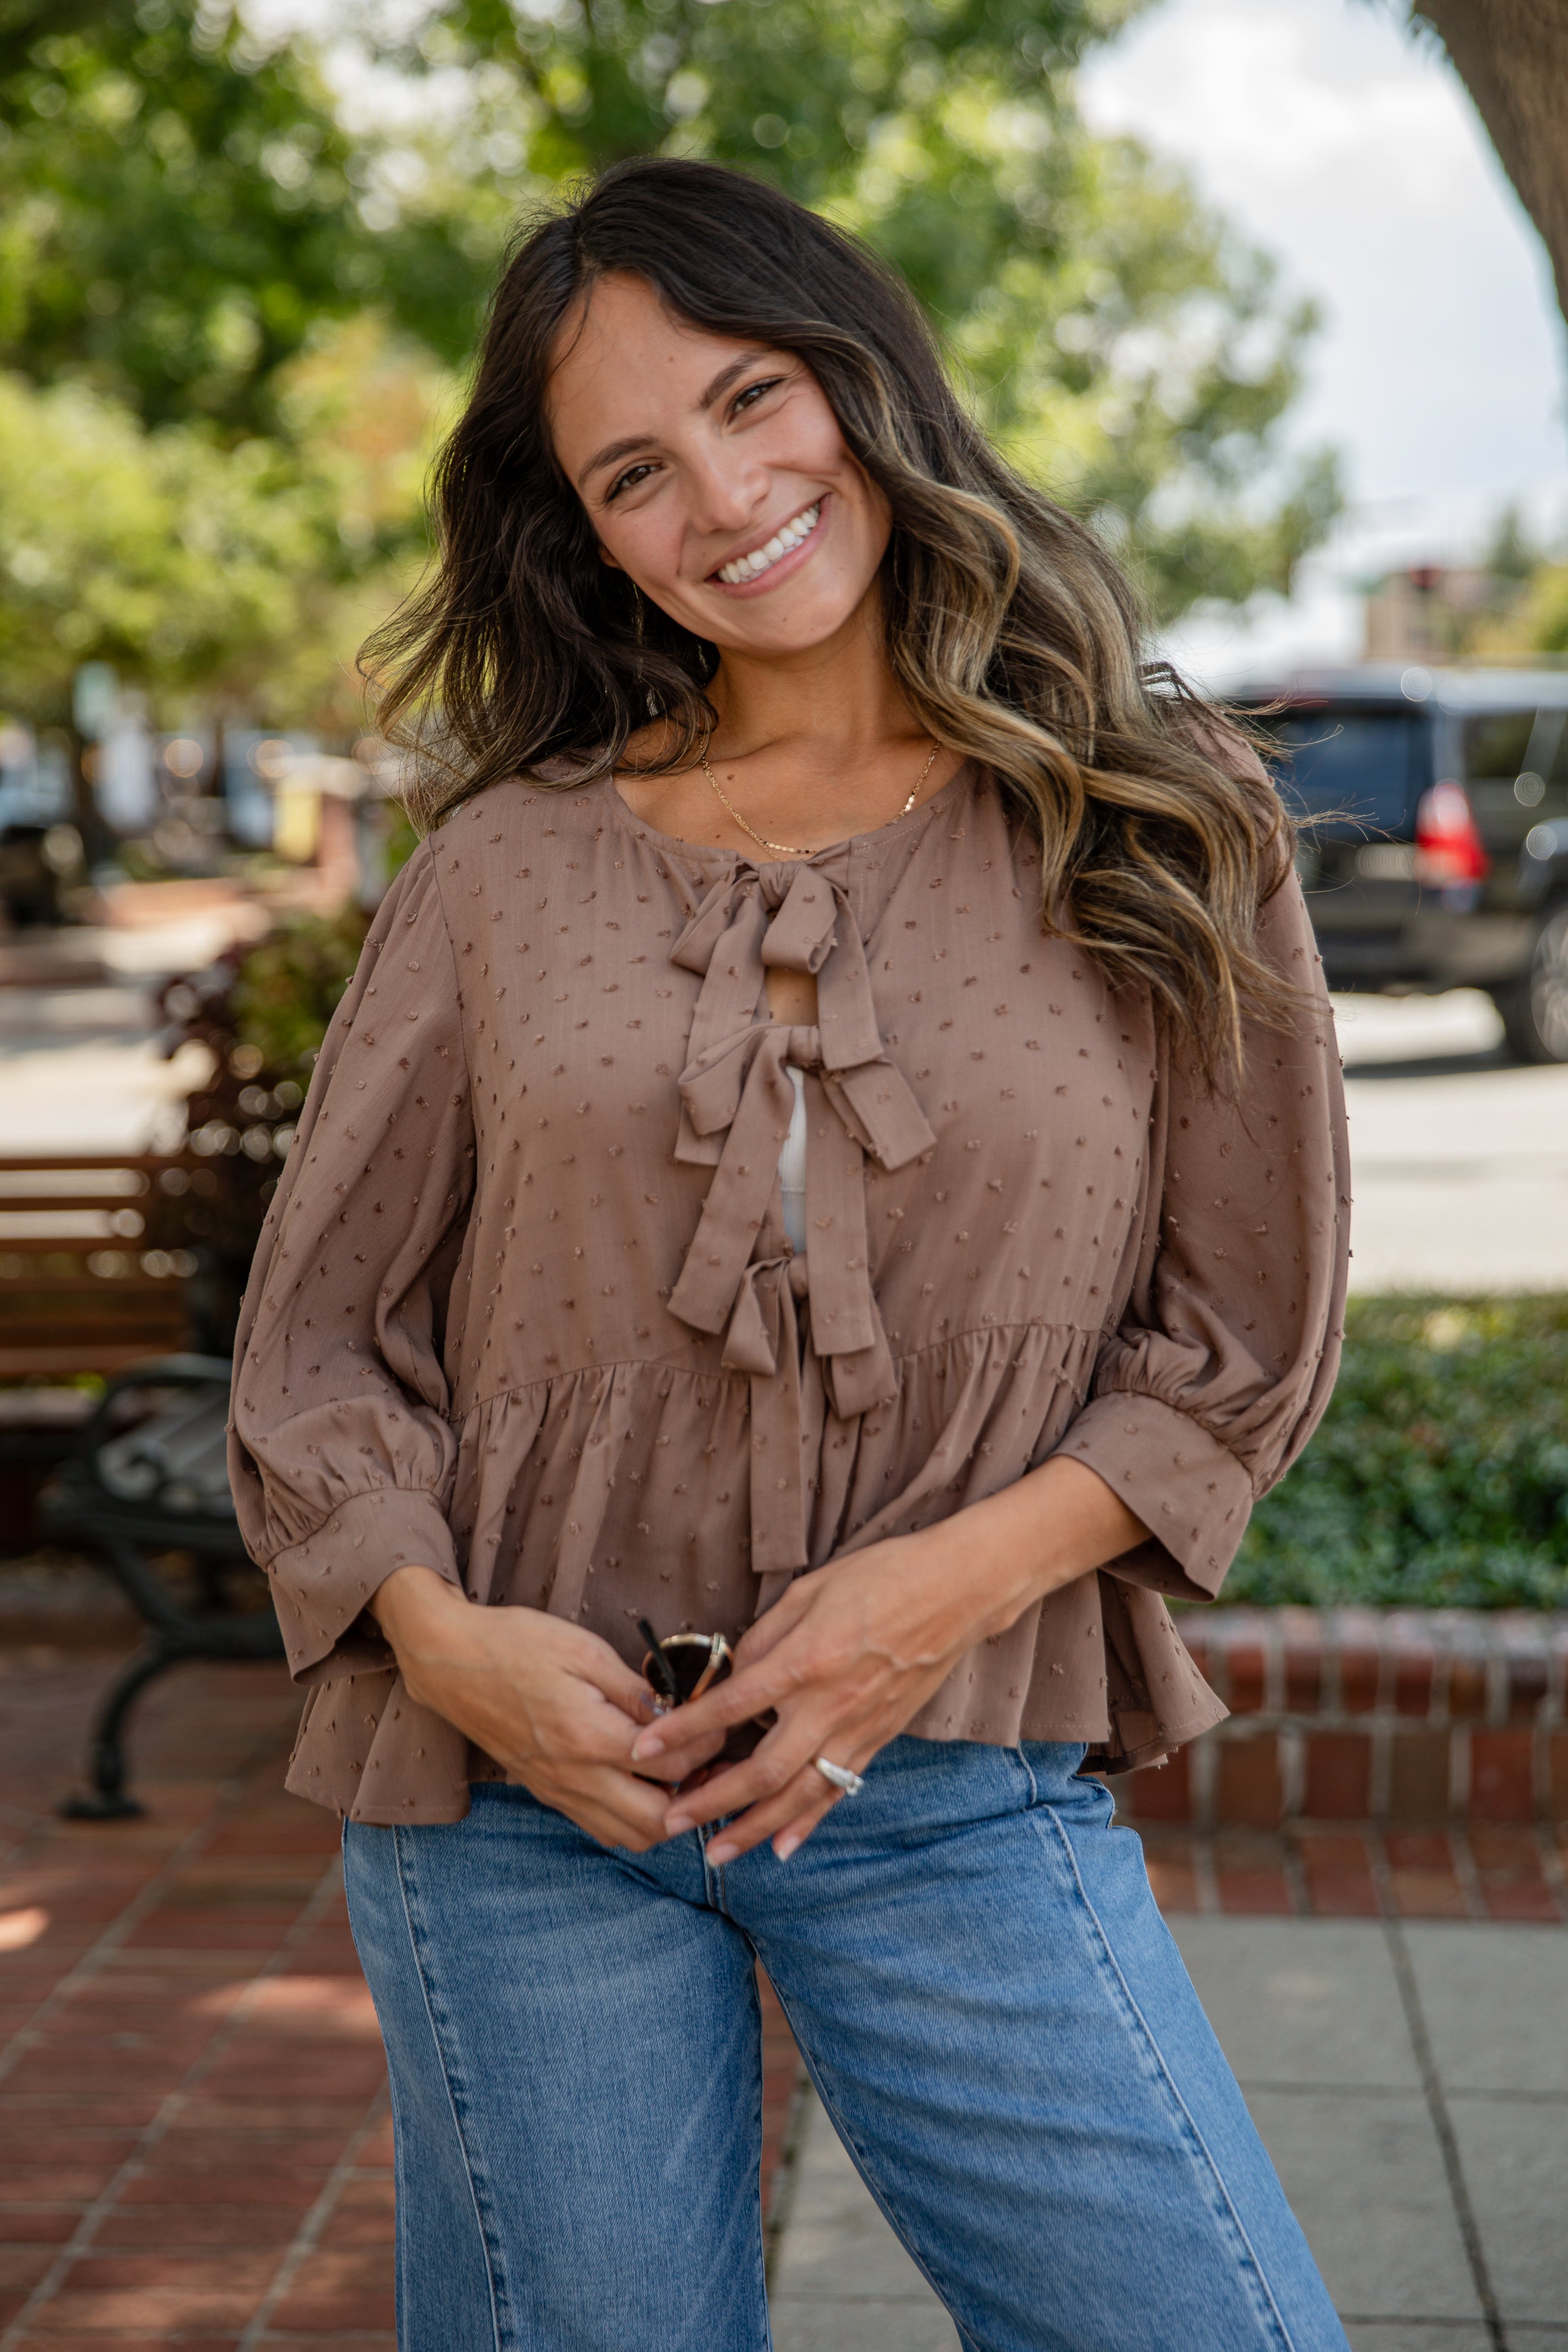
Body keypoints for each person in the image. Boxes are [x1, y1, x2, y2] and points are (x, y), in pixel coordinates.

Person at [229, 155, 1352, 2352]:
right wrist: (445, 1645)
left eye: (753, 397)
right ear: (581, 530)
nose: (722, 494)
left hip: (952, 1772)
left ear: (862, 376)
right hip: (521, 1800)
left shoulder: (1150, 807)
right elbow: (320, 1341)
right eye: (632, 470)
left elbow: (1240, 1339)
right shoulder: (498, 871)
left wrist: (929, 1596)